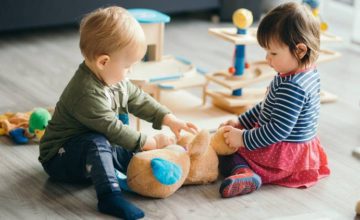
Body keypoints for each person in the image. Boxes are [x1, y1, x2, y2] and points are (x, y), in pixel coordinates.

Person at [38, 6, 197, 220]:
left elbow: (138, 99)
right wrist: (149, 141)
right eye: (128, 66)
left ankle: (154, 173)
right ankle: (109, 196)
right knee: (100, 141)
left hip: (95, 145)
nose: (130, 72)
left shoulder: (116, 79)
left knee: (127, 150)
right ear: (104, 62)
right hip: (60, 158)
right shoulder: (85, 92)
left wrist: (169, 119)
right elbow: (112, 130)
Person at [218, 2, 330, 198]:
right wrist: (242, 121)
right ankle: (247, 168)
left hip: (282, 154)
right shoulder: (303, 72)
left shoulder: (293, 86)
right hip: (298, 151)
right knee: (231, 139)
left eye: (273, 53)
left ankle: (246, 173)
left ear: (300, 51)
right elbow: (268, 105)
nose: (267, 58)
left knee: (227, 152)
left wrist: (242, 138)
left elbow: (277, 130)